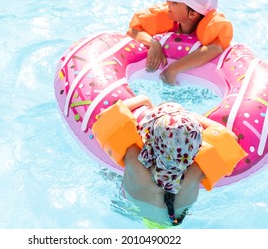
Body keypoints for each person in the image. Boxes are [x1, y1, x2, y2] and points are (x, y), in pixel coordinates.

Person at [92, 95, 247, 226]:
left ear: (151, 138)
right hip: (172, 222)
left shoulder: (134, 158)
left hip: (134, 209)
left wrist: (144, 99)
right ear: (197, 146)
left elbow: (105, 117)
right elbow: (230, 139)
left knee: (105, 172)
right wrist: (194, 117)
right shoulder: (196, 171)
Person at [126, 0, 232, 85]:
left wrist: (173, 69)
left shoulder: (210, 33)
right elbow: (133, 30)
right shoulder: (167, 17)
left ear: (192, 13)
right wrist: (154, 43)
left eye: (174, 2)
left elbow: (216, 48)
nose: (167, 2)